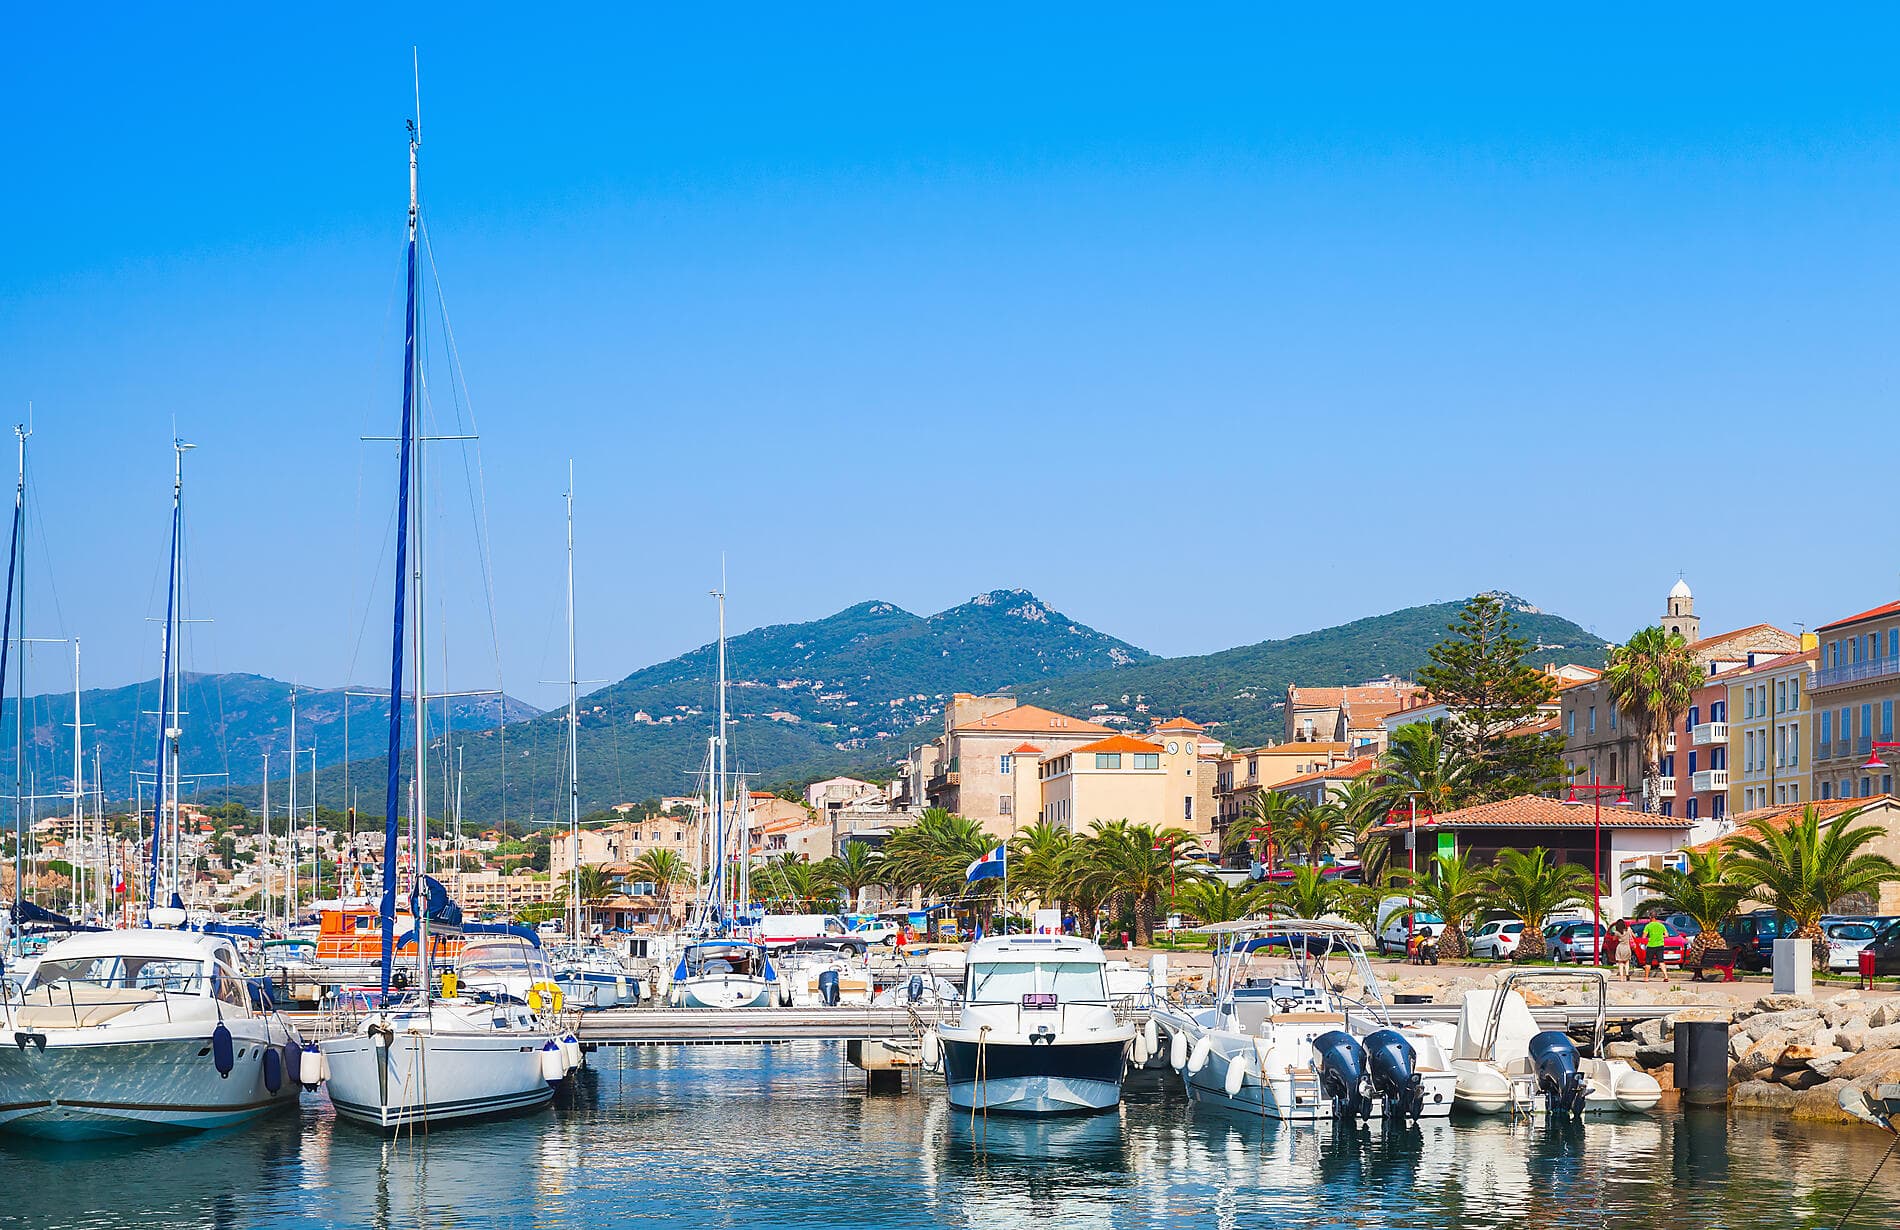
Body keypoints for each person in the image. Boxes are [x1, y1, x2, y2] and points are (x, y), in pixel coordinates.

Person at [1643, 916, 1671, 983]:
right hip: (1660, 945)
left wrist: (1650, 937)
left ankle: (1646, 978)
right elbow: (1667, 935)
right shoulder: (1661, 925)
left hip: (1651, 945)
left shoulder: (1648, 926)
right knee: (1661, 961)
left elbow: (1644, 936)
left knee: (1648, 962)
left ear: (1650, 917)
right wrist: (1661, 936)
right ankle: (1666, 976)